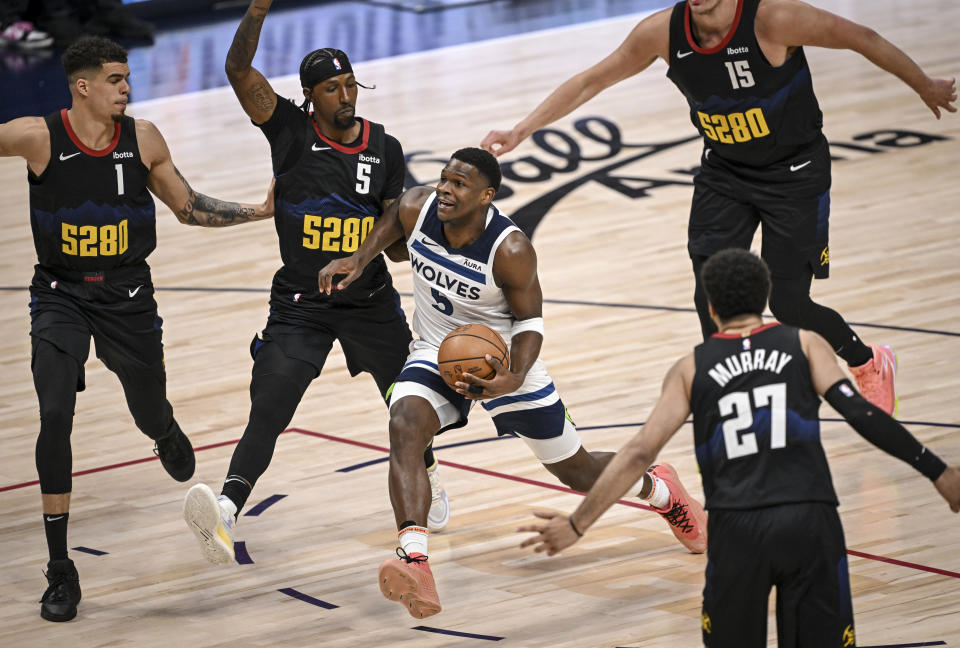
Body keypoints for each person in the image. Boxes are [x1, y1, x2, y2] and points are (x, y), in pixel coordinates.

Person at [482, 0, 959, 419]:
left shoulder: (776, 18)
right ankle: (739, 394)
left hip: (794, 173)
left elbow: (862, 37)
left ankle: (867, 360)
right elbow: (591, 80)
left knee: (789, 304)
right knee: (708, 294)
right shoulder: (662, 31)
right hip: (725, 173)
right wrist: (522, 130)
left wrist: (923, 84)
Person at [318, 147, 707, 620]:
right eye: (444, 179)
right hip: (436, 348)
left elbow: (530, 322)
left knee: (576, 472)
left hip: (503, 360)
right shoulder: (415, 207)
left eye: (459, 184)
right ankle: (415, 560)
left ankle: (661, 491)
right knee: (404, 422)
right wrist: (359, 260)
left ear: (487, 196)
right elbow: (392, 226)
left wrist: (514, 377)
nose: (445, 188)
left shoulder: (511, 249)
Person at [518, 248, 960, 647]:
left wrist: (577, 525)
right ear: (765, 296)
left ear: (711, 309)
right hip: (810, 521)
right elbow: (863, 415)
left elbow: (637, 454)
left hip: (737, 530)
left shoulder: (691, 368)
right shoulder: (805, 344)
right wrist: (938, 471)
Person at [0, 35, 274, 622]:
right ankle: (61, 568)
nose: (128, 88)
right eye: (117, 79)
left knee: (148, 406)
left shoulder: (144, 138)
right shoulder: (37, 136)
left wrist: (258, 210)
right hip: (60, 294)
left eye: (128, 79)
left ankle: (164, 428)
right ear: (84, 85)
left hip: (127, 297)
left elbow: (186, 206)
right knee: (54, 413)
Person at [182, 0, 448, 568]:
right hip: (301, 304)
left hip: (371, 301)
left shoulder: (385, 148)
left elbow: (391, 224)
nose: (346, 96)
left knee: (409, 404)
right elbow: (237, 70)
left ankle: (426, 477)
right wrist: (256, 12)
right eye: (332, 88)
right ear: (311, 98)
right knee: (271, 407)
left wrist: (397, 243)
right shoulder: (288, 131)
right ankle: (225, 510)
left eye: (351, 84)